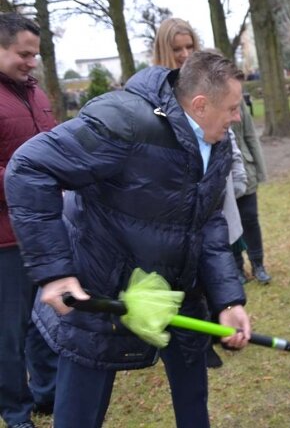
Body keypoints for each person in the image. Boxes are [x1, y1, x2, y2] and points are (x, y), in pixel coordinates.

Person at [4, 51, 252, 427]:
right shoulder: (122, 122)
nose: (238, 116)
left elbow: (208, 220)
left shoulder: (215, 140)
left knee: (192, 395)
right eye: (233, 108)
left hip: (177, 288)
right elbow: (28, 168)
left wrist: (228, 298)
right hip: (102, 292)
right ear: (200, 105)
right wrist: (55, 271)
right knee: (80, 410)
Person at [152, 17, 241, 369]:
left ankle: (210, 333)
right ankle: (192, 342)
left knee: (212, 259)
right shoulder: (158, 104)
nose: (185, 55)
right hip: (172, 218)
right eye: (177, 50)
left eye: (190, 47)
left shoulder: (215, 103)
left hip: (208, 203)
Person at [0, 13, 59, 428]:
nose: (30, 63)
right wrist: (31, 180)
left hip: (43, 229)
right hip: (4, 240)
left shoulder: (36, 94)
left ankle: (46, 394)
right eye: (23, 54)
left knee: (47, 320)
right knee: (9, 333)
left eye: (34, 55)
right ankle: (16, 412)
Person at [231, 98, 272, 285]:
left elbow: (250, 136)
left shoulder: (236, 98)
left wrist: (260, 169)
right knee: (229, 223)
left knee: (250, 218)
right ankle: (237, 267)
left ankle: (258, 265)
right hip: (223, 174)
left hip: (246, 170)